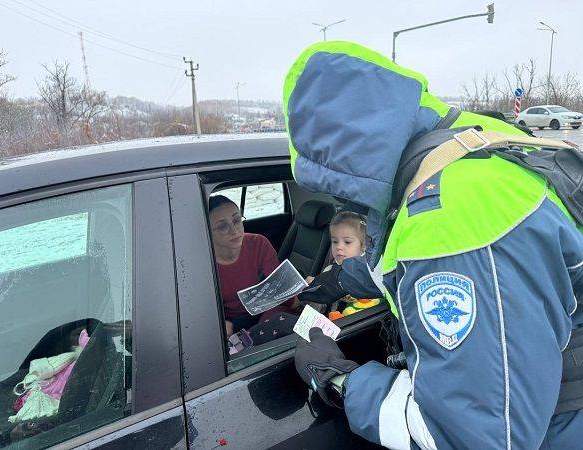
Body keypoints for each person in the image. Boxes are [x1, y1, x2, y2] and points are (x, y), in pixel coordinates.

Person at [284, 41, 583, 449]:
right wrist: (340, 279)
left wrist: (339, 380)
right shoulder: (472, 146)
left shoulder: (447, 218)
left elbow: (471, 437)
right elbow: (407, 254)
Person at [208, 195, 296, 338]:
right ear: (207, 232)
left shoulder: (258, 243)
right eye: (222, 226)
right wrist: (219, 323)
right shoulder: (203, 260)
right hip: (228, 323)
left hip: (262, 312)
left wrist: (301, 293)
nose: (234, 231)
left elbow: (279, 287)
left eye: (237, 220)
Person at [308, 211, 380, 320]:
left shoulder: (368, 275)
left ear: (364, 246)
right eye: (335, 242)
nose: (339, 247)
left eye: (347, 242)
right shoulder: (329, 270)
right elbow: (317, 309)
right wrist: (313, 290)